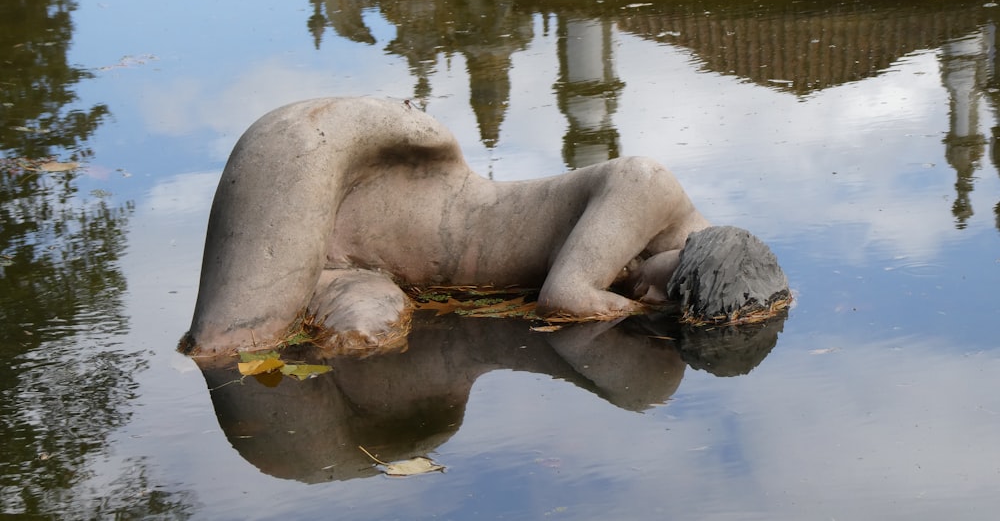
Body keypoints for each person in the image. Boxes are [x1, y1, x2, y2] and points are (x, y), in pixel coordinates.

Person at [180, 97, 787, 358]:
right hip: (333, 167)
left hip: (382, 266)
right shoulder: (648, 186)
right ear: (693, 251)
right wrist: (636, 316)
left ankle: (334, 284)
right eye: (669, 289)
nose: (651, 300)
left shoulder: (666, 272)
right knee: (229, 349)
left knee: (365, 338)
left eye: (667, 312)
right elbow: (567, 297)